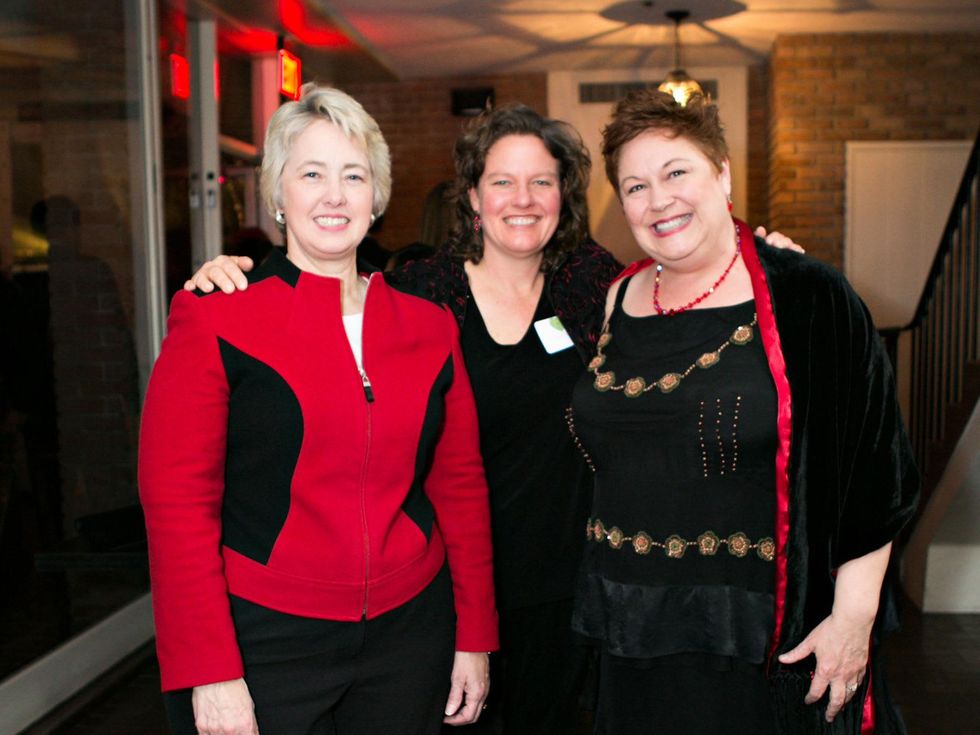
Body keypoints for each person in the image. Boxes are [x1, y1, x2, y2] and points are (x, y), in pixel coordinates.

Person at [186, 100, 804, 734]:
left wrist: (759, 253)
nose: (524, 198)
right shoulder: (420, 293)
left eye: (542, 181)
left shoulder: (597, 286)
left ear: (565, 197)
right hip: (447, 586)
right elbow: (324, 312)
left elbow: (683, 278)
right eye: (502, 182)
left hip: (568, 577)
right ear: (473, 199)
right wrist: (235, 274)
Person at [139, 83, 498, 735]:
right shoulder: (216, 316)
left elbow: (461, 487)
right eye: (311, 173)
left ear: (375, 195)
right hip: (265, 639)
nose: (334, 195)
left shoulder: (430, 325)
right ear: (278, 193)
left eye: (353, 175)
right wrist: (210, 671)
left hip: (409, 634)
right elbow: (177, 505)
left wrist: (474, 635)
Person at [567, 90, 919, 734]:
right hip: (633, 624)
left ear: (721, 173)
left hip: (760, 635)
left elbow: (874, 472)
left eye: (677, 172)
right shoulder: (617, 295)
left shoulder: (808, 293)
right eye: (635, 186)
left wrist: (854, 620)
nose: (659, 199)